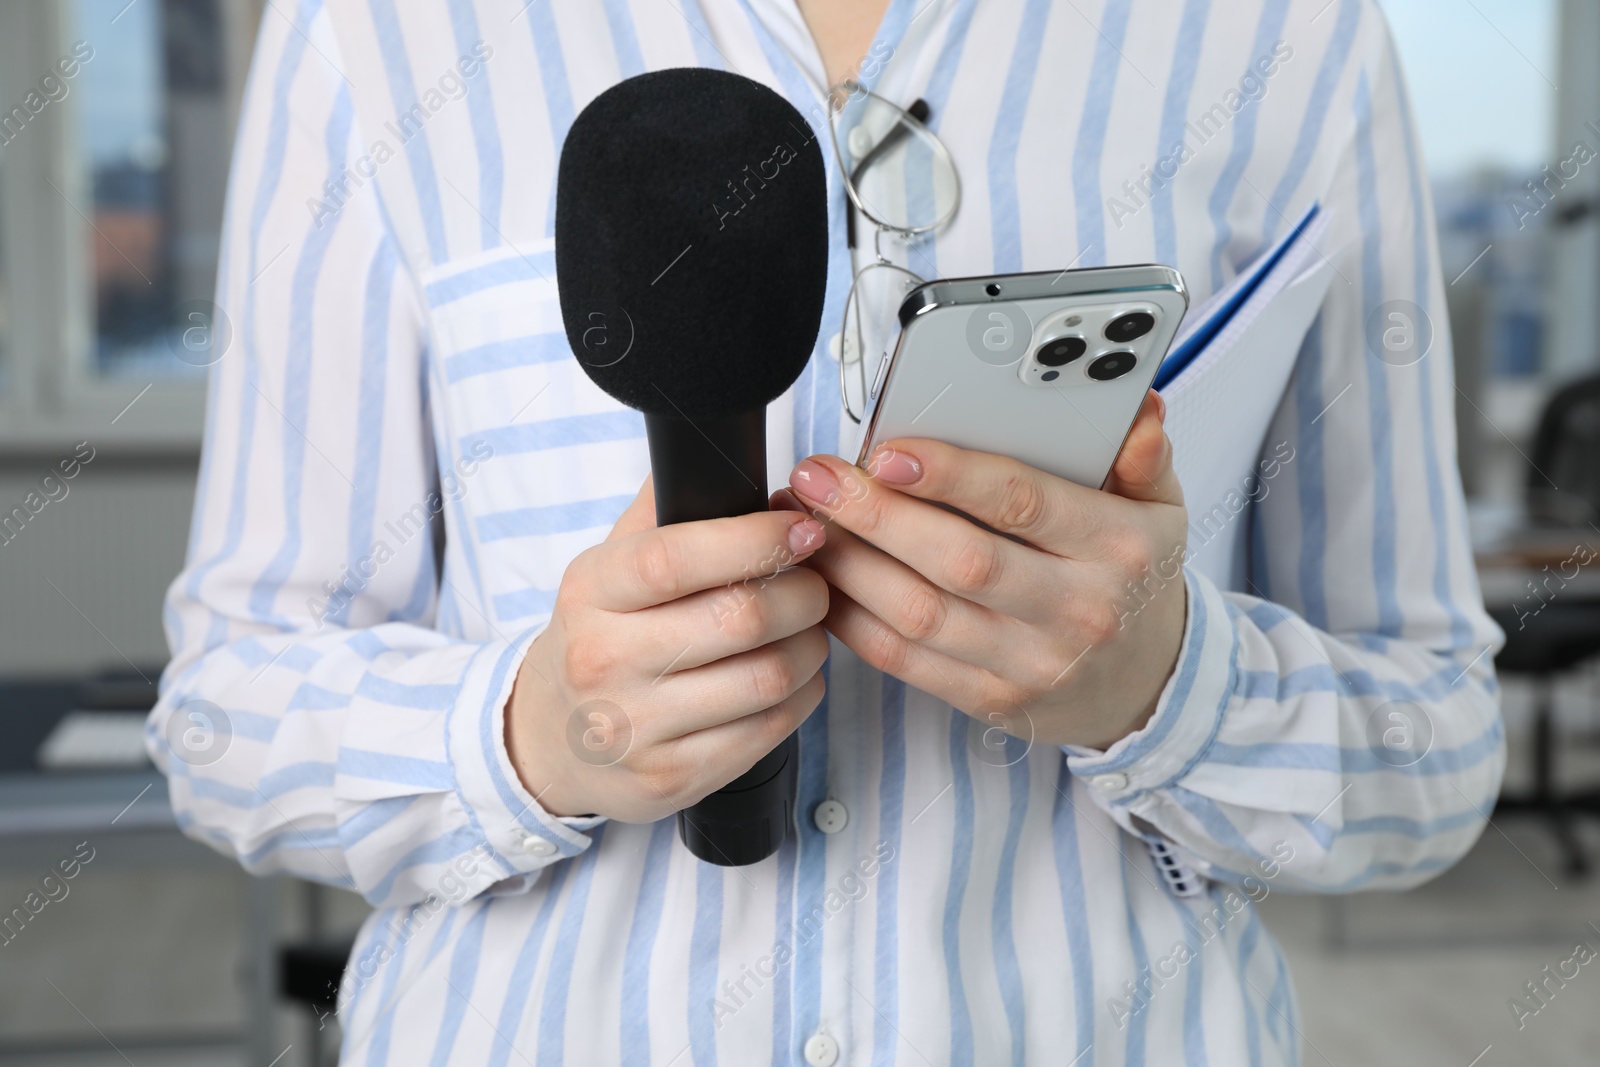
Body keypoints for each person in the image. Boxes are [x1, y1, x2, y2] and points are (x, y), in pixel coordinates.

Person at [148, 0, 1505, 1063]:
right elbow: (228, 715)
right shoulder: (383, 31)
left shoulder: (1289, 35)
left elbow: (1433, 748)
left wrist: (1166, 689)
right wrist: (534, 735)